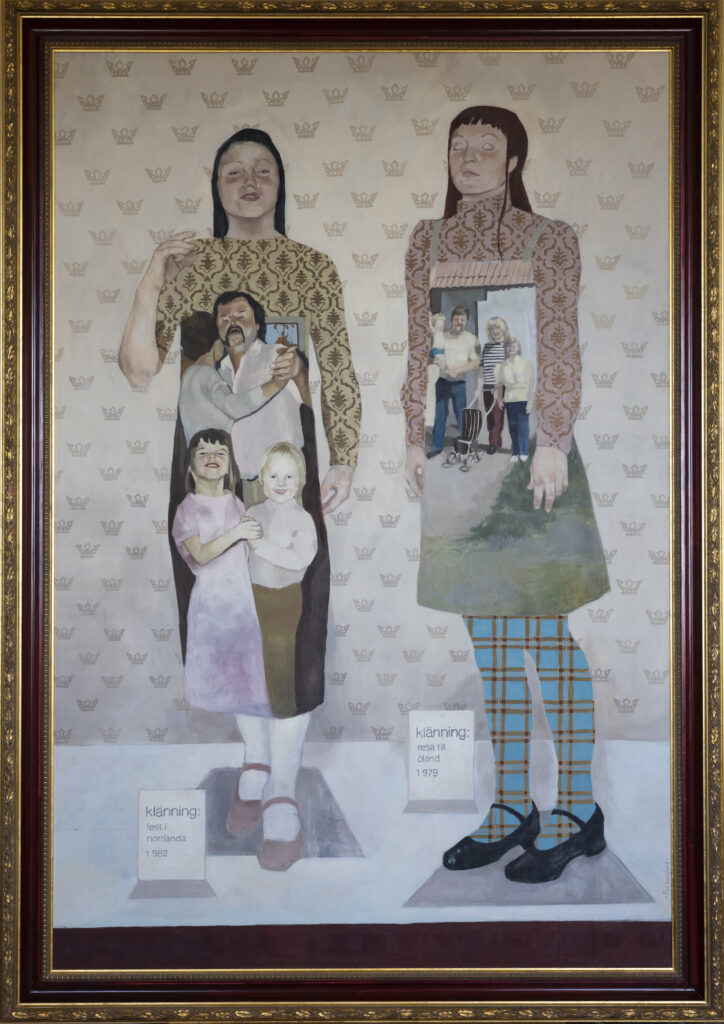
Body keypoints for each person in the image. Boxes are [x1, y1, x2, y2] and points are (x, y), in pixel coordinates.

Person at [119, 127, 361, 868]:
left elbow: (337, 364)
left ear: (281, 183)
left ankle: (283, 786)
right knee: (225, 619)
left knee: (289, 620)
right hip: (208, 470)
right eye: (233, 172)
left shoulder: (309, 266)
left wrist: (345, 454)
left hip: (284, 466)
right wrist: (153, 277)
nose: (249, 182)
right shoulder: (192, 268)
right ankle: (254, 759)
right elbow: (138, 368)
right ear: (216, 185)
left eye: (263, 170)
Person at [402, 106, 610, 883]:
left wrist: (552, 437)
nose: (470, 156)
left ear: (514, 159)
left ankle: (579, 810)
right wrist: (412, 433)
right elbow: (418, 346)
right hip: (457, 450)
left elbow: (558, 337)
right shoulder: (426, 241)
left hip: (528, 448)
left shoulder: (548, 237)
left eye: (487, 146)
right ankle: (512, 806)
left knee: (545, 634)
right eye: (458, 145)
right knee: (490, 641)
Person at [428, 306, 480, 458]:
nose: (459, 322)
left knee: (461, 415)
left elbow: (475, 362)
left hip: (459, 383)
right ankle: (437, 447)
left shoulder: (471, 339)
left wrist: (458, 370)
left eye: (462, 320)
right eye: (456, 319)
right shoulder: (442, 337)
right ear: (451, 320)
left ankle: (465, 447)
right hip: (442, 381)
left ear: (466, 321)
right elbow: (432, 356)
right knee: (440, 415)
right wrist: (434, 361)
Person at [474, 316, 508, 454]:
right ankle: (496, 439)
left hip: (499, 386)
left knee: (496, 415)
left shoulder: (506, 347)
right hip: (487, 386)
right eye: (491, 328)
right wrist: (478, 387)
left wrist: (498, 391)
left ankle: (493, 443)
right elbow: (482, 368)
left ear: (502, 329)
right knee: (489, 416)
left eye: (497, 327)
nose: (494, 331)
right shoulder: (487, 347)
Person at [498, 336, 534, 463]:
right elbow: (500, 384)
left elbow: (531, 384)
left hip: (523, 399)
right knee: (512, 428)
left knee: (523, 428)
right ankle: (515, 452)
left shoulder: (526, 363)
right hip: (509, 400)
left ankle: (524, 452)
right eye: (508, 346)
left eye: (513, 345)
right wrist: (499, 400)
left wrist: (530, 403)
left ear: (518, 348)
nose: (511, 348)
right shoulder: (503, 365)